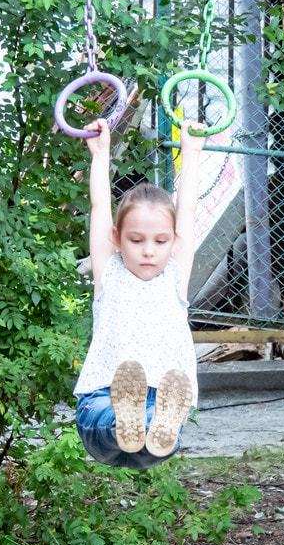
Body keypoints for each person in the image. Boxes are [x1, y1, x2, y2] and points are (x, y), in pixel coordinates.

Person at [72, 118, 204, 469]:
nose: (149, 251)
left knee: (157, 433)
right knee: (106, 419)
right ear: (117, 239)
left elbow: (187, 210)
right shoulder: (109, 272)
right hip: (103, 396)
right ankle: (122, 421)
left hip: (158, 403)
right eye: (136, 240)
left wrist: (191, 151)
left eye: (161, 241)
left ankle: (148, 425)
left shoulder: (175, 276)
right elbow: (101, 209)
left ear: (173, 241)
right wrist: (100, 155)